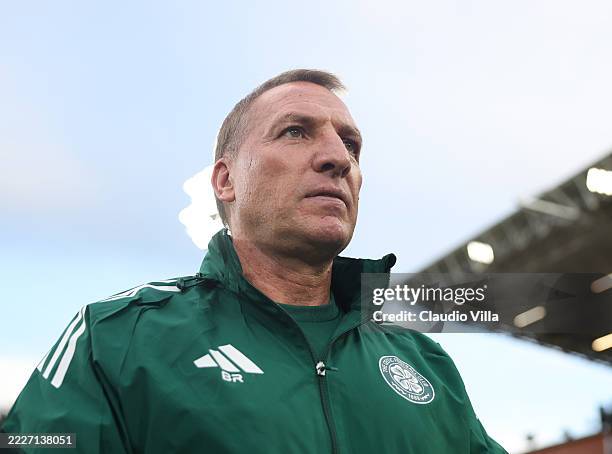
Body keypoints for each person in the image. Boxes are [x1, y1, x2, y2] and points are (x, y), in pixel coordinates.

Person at [1, 69, 507, 453]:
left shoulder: (425, 361)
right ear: (225, 181)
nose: (338, 158)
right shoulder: (116, 337)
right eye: (295, 132)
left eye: (350, 144)